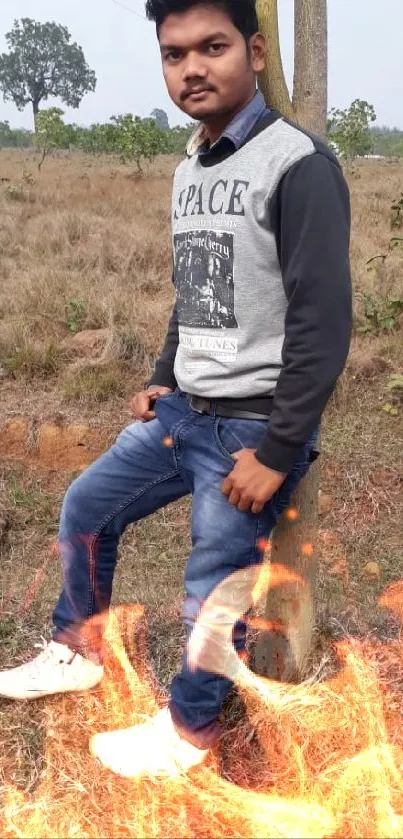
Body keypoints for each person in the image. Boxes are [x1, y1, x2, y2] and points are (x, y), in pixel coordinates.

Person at [0, 0, 352, 778]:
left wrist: (277, 447)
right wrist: (162, 374)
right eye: (174, 53)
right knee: (87, 506)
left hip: (248, 430)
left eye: (212, 47)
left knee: (213, 590)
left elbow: (323, 325)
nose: (191, 68)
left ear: (255, 52)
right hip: (183, 413)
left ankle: (191, 733)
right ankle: (77, 647)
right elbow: (192, 287)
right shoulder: (188, 165)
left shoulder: (298, 165)